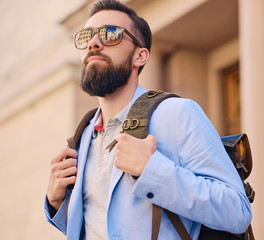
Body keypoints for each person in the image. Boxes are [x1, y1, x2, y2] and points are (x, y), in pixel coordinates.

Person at [44, 0, 252, 239]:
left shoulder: (177, 113)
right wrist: (56, 203)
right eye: (86, 36)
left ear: (140, 56)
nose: (93, 42)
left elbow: (237, 212)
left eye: (110, 34)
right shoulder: (81, 137)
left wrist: (151, 170)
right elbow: (102, 226)